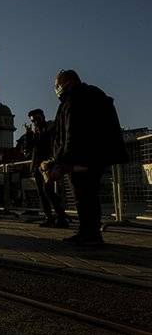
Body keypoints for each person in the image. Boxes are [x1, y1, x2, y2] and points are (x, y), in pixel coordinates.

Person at [46, 69, 127, 245]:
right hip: (97, 155)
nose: (56, 89)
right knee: (89, 195)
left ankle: (89, 235)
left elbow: (72, 133)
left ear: (67, 82)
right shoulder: (94, 95)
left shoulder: (74, 100)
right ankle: (89, 232)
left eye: (57, 85)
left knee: (83, 196)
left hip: (82, 157)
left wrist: (63, 161)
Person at [24, 108, 68, 228]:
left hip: (48, 164)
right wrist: (29, 134)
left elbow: (53, 144)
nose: (36, 122)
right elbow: (28, 149)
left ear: (43, 117)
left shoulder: (50, 129)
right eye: (33, 121)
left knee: (47, 191)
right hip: (37, 165)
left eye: (37, 119)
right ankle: (50, 217)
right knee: (42, 193)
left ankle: (61, 217)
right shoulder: (34, 132)